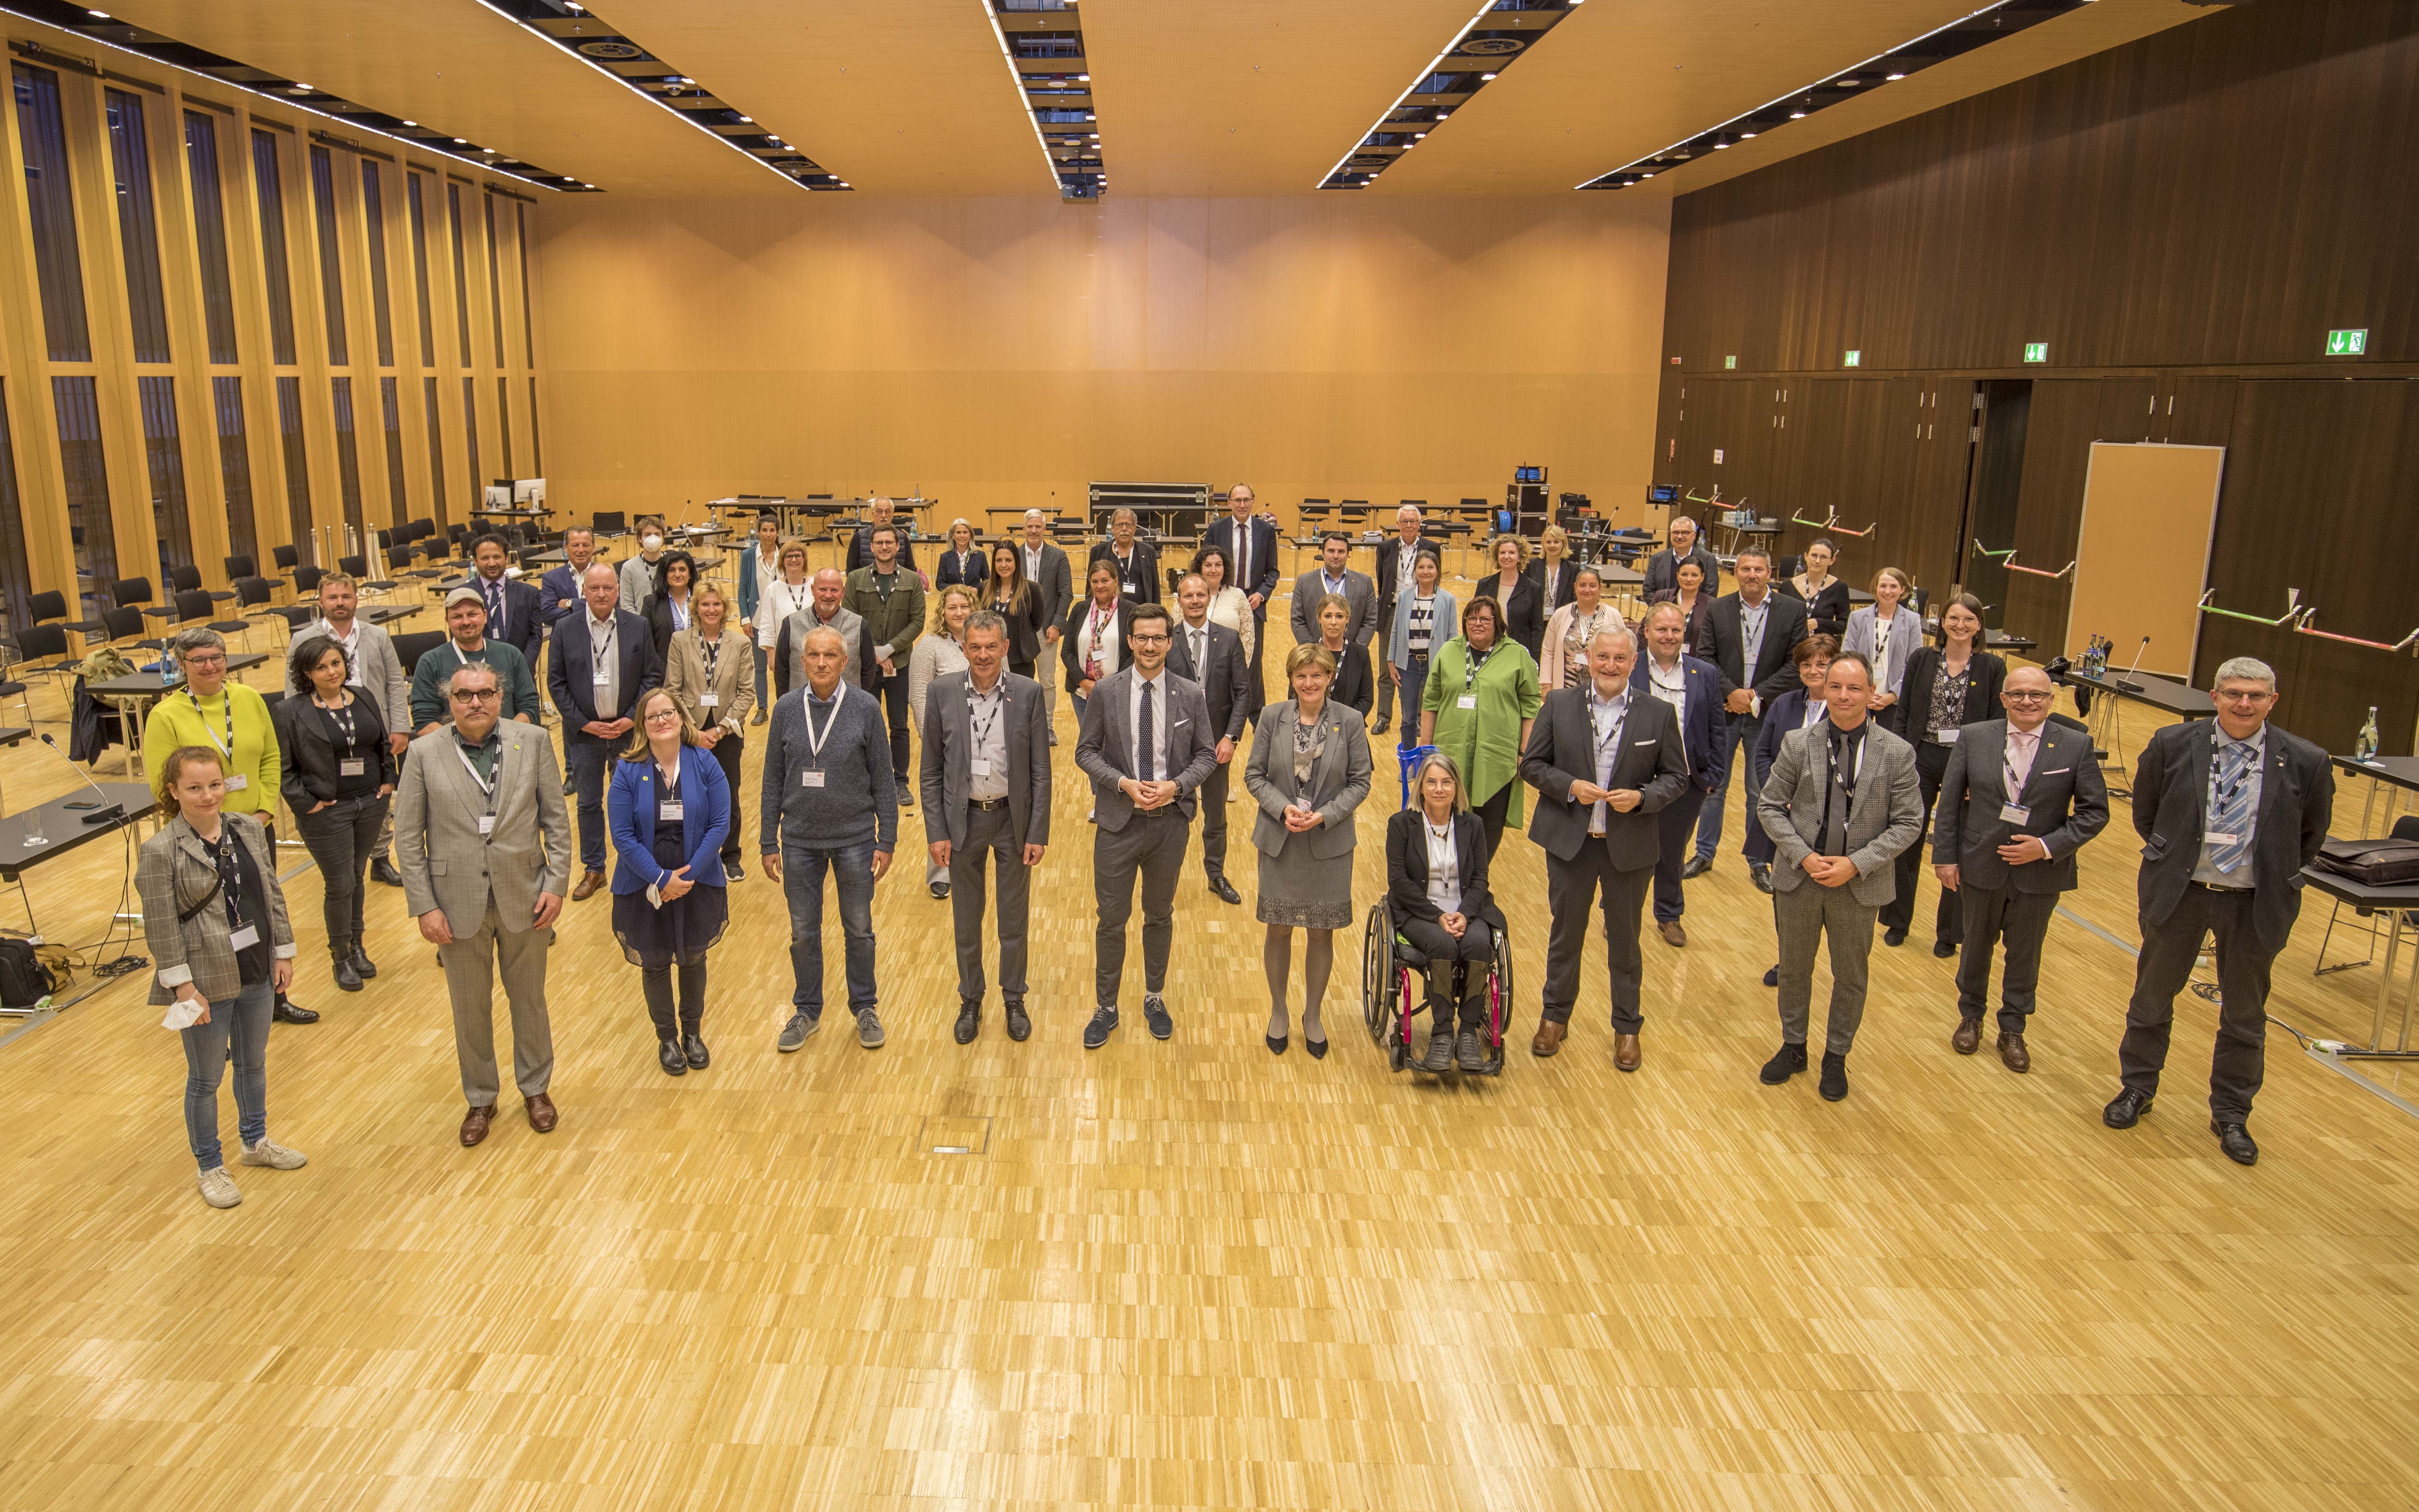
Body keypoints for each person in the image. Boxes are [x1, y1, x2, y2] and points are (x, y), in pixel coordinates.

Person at [2104, 657, 2333, 1166]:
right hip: (2180, 893)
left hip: (2254, 902)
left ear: (2272, 701)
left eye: (2255, 695)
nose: (2243, 703)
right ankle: (2136, 1089)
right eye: (2233, 693)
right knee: (2150, 999)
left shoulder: (2306, 760)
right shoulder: (2171, 744)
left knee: (2244, 1016)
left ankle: (2230, 1114)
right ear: (2214, 697)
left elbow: (2310, 835)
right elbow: (2146, 813)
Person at [394, 661, 573, 1146]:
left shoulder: (532, 741)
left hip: (526, 895)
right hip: (454, 904)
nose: (475, 702)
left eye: (485, 693)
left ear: (500, 696)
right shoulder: (423, 752)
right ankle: (480, 1097)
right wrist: (424, 906)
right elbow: (408, 837)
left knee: (529, 1001)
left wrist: (556, 885)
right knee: (469, 1008)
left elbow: (556, 822)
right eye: (464, 695)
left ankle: (535, 1089)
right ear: (449, 701)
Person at [140, 745, 305, 1208]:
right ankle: (210, 1165)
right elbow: (161, 926)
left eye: (215, 784)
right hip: (203, 979)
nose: (208, 795)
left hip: (256, 966)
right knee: (206, 1079)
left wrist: (283, 951)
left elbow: (270, 893)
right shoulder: (160, 850)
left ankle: (255, 1141)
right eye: (194, 787)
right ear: (173, 791)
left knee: (253, 1063)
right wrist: (183, 987)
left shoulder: (248, 828)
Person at [1755, 652, 1923, 1103]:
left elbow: (1909, 822)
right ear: (1823, 690)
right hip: (1800, 877)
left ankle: (1836, 1056)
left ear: (1871, 693)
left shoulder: (1897, 752)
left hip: (1859, 883)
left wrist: (1857, 862)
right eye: (1835, 687)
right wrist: (1803, 856)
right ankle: (1794, 1046)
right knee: (1794, 968)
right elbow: (1769, 807)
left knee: (1850, 975)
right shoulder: (1797, 743)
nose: (1844, 696)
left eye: (1854, 688)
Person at [1521, 623, 1690, 1068]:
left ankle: (1627, 1027)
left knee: (1625, 941)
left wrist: (1643, 798)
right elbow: (1532, 765)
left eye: (1619, 658)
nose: (1610, 666)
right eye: (1602, 657)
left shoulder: (1658, 713)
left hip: (1629, 847)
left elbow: (1677, 778)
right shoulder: (1559, 704)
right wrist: (1570, 787)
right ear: (1588, 660)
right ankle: (1554, 1017)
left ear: (1634, 663)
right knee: (1565, 935)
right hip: (1570, 843)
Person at [1932, 665, 2109, 1072]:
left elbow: (2095, 812)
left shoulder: (2076, 745)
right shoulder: (1974, 737)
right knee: (1974, 946)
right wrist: (1945, 857)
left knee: (2025, 954)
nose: (2027, 702)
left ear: (2051, 700)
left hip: (2040, 872)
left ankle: (2012, 1028)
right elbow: (1949, 803)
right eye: (2017, 694)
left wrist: (2046, 847)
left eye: (2036, 695)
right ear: (2003, 699)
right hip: (1980, 862)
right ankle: (1970, 1016)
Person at [142, 628, 312, 1025]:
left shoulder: (249, 698)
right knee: (211, 926)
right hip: (200, 839)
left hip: (252, 829)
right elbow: (162, 784)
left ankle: (273, 998)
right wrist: (205, 822)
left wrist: (263, 812)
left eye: (216, 657)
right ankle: (213, 1013)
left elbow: (271, 757)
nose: (210, 666)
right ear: (181, 665)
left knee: (260, 912)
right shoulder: (165, 715)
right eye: (199, 659)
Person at [1074, 602, 1216, 1049]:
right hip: (1117, 824)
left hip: (1169, 825)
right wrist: (1121, 783)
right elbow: (1085, 752)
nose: (1150, 645)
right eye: (1142, 638)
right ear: (1131, 641)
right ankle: (1106, 1006)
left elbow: (1206, 755)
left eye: (1158, 638)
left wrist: (1177, 786)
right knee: (1111, 919)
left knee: (1159, 915)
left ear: (1170, 642)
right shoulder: (1106, 691)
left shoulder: (1189, 694)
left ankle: (1154, 997)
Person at [763, 626, 897, 1054]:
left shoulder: (865, 708)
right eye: (814, 655)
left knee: (859, 929)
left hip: (855, 838)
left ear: (844, 661)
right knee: (803, 932)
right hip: (798, 840)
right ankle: (807, 1010)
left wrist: (887, 839)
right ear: (802, 662)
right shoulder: (786, 709)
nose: (822, 663)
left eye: (830, 656)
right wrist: (768, 841)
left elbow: (883, 777)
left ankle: (865, 1007)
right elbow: (772, 779)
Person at [920, 610, 1051, 1043]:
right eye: (974, 647)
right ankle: (971, 999)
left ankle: (1014, 997)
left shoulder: (1028, 693)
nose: (982, 655)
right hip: (964, 822)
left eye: (991, 646)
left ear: (1005, 648)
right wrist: (936, 832)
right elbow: (930, 772)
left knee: (1013, 919)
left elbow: (1040, 772)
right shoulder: (941, 692)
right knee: (966, 919)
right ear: (963, 648)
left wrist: (1037, 832)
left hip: (1013, 821)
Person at [1243, 644, 1373, 1057]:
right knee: (1278, 929)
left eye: (1317, 675)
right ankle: (1279, 1011)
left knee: (1321, 933)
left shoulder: (1350, 721)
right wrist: (1283, 808)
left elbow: (1361, 781)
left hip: (1328, 843)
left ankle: (1313, 1015)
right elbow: (1254, 775)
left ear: (1329, 677)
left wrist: (1324, 815)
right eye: (1301, 675)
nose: (1309, 682)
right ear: (1291, 678)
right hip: (1281, 841)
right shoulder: (1271, 717)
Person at [608, 687, 731, 1078]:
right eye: (652, 716)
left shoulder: (705, 761)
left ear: (681, 717)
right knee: (656, 961)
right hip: (645, 880)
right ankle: (667, 1038)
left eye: (668, 713)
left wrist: (686, 876)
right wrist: (661, 878)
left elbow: (720, 823)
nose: (661, 721)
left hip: (696, 877)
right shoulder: (628, 770)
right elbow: (622, 835)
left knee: (694, 958)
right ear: (643, 726)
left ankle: (693, 1033)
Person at [274, 634, 397, 992]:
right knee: (340, 882)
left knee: (356, 876)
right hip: (327, 811)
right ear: (307, 674)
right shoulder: (289, 711)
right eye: (321, 667)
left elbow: (382, 743)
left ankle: (358, 946)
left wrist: (389, 781)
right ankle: (340, 955)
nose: (332, 672)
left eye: (336, 663)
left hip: (370, 803)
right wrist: (307, 804)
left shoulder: (364, 695)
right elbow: (284, 769)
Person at [1884, 592, 2005, 952]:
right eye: (1954, 618)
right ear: (1942, 623)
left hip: (1966, 764)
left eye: (1969, 619)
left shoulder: (1992, 668)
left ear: (1979, 626)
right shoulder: (1922, 659)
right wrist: (1901, 757)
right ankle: (1897, 920)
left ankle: (1950, 933)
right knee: (1907, 838)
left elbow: (1998, 724)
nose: (1960, 625)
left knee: (1958, 846)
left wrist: (1983, 774)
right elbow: (1904, 713)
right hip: (1921, 757)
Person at [1692, 545, 1809, 889]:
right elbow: (1705, 657)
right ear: (1736, 572)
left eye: (1759, 569)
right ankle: (1704, 853)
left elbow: (1796, 664)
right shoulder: (1717, 608)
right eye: (1745, 569)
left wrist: (1756, 696)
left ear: (1769, 573)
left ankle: (1759, 860)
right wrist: (1731, 693)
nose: (1752, 575)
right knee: (1714, 787)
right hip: (1724, 711)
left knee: (1761, 791)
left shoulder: (1793, 610)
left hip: (1767, 714)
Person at [1387, 752, 1505, 1076]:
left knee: (1479, 943)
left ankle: (1467, 1030)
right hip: (1420, 911)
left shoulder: (1473, 825)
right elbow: (1398, 881)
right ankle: (1442, 1031)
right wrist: (1438, 915)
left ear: (1456, 788)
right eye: (1431, 782)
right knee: (1442, 944)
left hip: (1467, 910)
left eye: (1446, 782)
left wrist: (1464, 914)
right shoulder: (1401, 825)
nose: (1439, 789)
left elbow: (1480, 878)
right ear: (1421, 788)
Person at [550, 562, 662, 903]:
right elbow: (556, 682)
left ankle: (639, 865)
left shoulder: (638, 626)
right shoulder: (565, 628)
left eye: (608, 588)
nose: (601, 594)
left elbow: (652, 676)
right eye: (595, 588)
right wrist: (584, 723)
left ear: (617, 591)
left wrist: (631, 718)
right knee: (588, 802)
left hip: (629, 732)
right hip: (585, 734)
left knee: (636, 800)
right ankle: (595, 868)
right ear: (584, 591)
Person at [299, 572, 410, 887]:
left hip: (373, 730)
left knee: (378, 793)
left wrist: (400, 726)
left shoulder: (378, 635)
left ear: (357, 599)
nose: (340, 603)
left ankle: (380, 858)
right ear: (320, 601)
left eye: (346, 596)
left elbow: (395, 683)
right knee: (338, 794)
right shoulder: (303, 639)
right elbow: (293, 693)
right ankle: (344, 858)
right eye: (333, 597)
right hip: (327, 733)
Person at [1632, 601, 1729, 949]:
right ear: (1646, 631)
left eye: (1676, 630)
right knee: (1628, 851)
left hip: (1686, 783)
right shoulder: (1630, 667)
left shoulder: (1704, 672)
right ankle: (1619, 912)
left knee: (1672, 853)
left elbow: (1717, 728)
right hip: (1635, 781)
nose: (1669, 636)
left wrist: (1712, 777)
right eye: (1662, 629)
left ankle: (1669, 914)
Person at [1750, 635, 1840, 987]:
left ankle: (1825, 964)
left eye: (1822, 663)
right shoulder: (1784, 704)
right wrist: (1777, 794)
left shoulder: (1846, 707)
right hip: (1783, 817)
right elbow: (1762, 754)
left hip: (1828, 822)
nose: (1814, 670)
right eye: (1807, 664)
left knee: (1825, 901)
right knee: (1784, 896)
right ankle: (1788, 962)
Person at [1420, 596, 1541, 859]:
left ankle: (1477, 878)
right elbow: (1431, 701)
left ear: (1497, 624)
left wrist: (1525, 753)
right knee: (1448, 824)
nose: (1478, 624)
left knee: (1488, 829)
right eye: (1472, 618)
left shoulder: (1517, 655)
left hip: (1497, 758)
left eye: (1485, 619)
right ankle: (1449, 877)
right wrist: (1425, 749)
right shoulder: (1449, 651)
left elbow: (1531, 706)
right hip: (1451, 754)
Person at [1168, 572, 1252, 905]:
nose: (1195, 601)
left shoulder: (1229, 639)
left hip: (1216, 744)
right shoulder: (1167, 639)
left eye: (1201, 595)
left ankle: (1216, 874)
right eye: (1188, 596)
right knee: (1174, 816)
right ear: (1179, 601)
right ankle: (1166, 878)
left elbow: (1243, 693)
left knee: (1216, 816)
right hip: (1175, 746)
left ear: (1209, 598)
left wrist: (1231, 737)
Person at [662, 581, 755, 880]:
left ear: (724, 609)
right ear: (696, 608)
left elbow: (747, 693)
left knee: (728, 795)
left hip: (726, 734)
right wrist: (693, 732)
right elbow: (672, 690)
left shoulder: (740, 644)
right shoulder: (680, 641)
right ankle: (696, 856)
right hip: (689, 733)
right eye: (705, 604)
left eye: (716, 604)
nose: (711, 610)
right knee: (689, 796)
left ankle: (731, 855)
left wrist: (721, 729)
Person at [843, 523, 925, 803]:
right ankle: (866, 781)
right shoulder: (855, 579)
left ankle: (900, 782)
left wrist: (889, 649)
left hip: (900, 665)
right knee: (864, 724)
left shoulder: (913, 580)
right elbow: (850, 619)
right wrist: (875, 653)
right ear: (872, 547)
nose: (884, 547)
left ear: (898, 547)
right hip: (866, 666)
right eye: (879, 543)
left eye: (890, 542)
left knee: (900, 726)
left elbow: (918, 621)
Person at [910, 585, 977, 898]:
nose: (959, 612)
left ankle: (972, 865)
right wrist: (932, 741)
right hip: (947, 744)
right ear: (943, 611)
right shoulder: (929, 646)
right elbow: (919, 694)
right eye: (953, 607)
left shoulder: (984, 638)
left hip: (985, 740)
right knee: (945, 805)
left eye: (965, 606)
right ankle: (941, 872)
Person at [409, 586, 543, 733]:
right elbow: (424, 721)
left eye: (472, 614)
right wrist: (458, 744)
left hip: (509, 743)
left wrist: (505, 738)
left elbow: (529, 706)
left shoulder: (511, 655)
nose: (466, 622)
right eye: (457, 617)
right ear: (447, 620)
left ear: (485, 616)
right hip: (452, 747)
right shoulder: (430, 663)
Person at [1202, 484, 1279, 718]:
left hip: (1253, 604)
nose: (1242, 505)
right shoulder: (1216, 529)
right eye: (1237, 500)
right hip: (1222, 602)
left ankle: (1256, 718)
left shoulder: (1266, 531)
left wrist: (1261, 594)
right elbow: (1205, 565)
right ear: (1229, 503)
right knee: (1218, 658)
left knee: (1253, 664)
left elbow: (1272, 572)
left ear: (1254, 501)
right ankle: (1220, 709)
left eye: (1247, 500)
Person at [1373, 506, 1440, 736]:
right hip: (1392, 611)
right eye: (1405, 522)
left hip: (1422, 610)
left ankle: (1419, 718)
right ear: (1398, 524)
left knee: (1420, 668)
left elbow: (1435, 578)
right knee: (1387, 667)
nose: (1409, 525)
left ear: (1420, 524)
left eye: (1413, 521)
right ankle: (1383, 717)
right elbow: (1382, 581)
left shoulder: (1432, 547)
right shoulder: (1385, 547)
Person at [1386, 550, 1455, 755]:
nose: (1426, 571)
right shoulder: (1405, 597)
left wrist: (1451, 667)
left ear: (1437, 571)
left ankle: (1433, 761)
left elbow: (1453, 636)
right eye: (1421, 567)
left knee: (1435, 714)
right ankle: (1409, 760)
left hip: (1436, 665)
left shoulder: (1448, 599)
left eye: (1430, 567)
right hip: (1408, 664)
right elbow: (1396, 630)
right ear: (1415, 571)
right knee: (1408, 718)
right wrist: (1391, 661)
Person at [1015, 509, 1074, 743]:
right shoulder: (1014, 556)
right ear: (1024, 529)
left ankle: (1047, 727)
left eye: (1038, 527)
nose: (1034, 531)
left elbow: (1066, 593)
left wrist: (1057, 624)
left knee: (1047, 681)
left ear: (1045, 529)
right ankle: (1020, 725)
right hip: (1019, 631)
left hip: (1046, 630)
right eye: (1030, 527)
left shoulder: (1058, 556)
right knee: (1019, 680)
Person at [1840, 567, 1918, 732]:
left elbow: (1914, 664)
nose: (1888, 591)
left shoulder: (1912, 620)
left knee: (1889, 743)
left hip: (1894, 699)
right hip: (1860, 695)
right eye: (1883, 586)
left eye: (1894, 587)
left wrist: (1893, 695)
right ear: (1875, 588)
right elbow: (1847, 657)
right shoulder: (1858, 617)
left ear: (1903, 589)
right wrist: (1863, 693)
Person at [1190, 542, 1259, 728]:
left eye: (1218, 565)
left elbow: (1248, 636)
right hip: (1193, 674)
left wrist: (1238, 670)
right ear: (1200, 568)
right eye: (1208, 565)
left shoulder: (1238, 596)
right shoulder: (1190, 594)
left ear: (1225, 568)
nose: (1213, 570)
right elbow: (1177, 630)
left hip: (1227, 675)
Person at [773, 567, 866, 695]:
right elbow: (781, 672)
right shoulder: (791, 624)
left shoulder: (859, 625)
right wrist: (789, 703)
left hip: (848, 706)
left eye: (834, 590)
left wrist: (856, 701)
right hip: (801, 705)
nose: (828, 595)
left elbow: (868, 672)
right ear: (813, 590)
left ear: (843, 592)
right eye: (823, 590)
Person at [755, 538, 820, 712]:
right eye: (789, 556)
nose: (794, 560)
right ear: (782, 561)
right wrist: (771, 655)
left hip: (815, 655)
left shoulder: (815, 585)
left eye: (798, 556)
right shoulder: (774, 589)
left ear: (804, 559)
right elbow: (767, 624)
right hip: (785, 656)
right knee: (788, 703)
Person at [1061, 561, 1129, 721]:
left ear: (1116, 581)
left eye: (1105, 581)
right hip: (1082, 694)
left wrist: (1113, 685)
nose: (1100, 586)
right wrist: (1084, 682)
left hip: (1117, 693)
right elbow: (1067, 652)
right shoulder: (1079, 609)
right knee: (1087, 737)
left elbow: (1135, 654)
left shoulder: (1130, 611)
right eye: (1095, 582)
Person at [735, 513, 786, 720]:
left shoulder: (785, 554)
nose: (768, 534)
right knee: (760, 667)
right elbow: (743, 589)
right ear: (758, 532)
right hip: (757, 619)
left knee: (783, 666)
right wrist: (745, 618)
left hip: (782, 619)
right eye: (764, 530)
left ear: (778, 533)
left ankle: (785, 707)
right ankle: (762, 709)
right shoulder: (748, 556)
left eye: (772, 530)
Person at [467, 532, 544, 669]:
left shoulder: (529, 593)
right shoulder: (464, 595)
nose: (492, 563)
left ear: (507, 559)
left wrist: (522, 668)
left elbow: (536, 636)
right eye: (485, 558)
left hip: (521, 671)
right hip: (478, 674)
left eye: (497, 557)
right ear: (475, 561)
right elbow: (460, 638)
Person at [1539, 565, 1621, 691]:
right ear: (1575, 587)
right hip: (1565, 688)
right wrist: (1546, 684)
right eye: (1583, 585)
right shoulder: (1561, 615)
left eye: (1592, 586)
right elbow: (1548, 651)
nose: (1587, 590)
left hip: (1602, 689)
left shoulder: (1614, 616)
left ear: (1600, 588)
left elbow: (1623, 652)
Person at [1471, 532, 1545, 661]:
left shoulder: (1533, 588)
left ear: (1520, 557)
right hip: (1487, 651)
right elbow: (1474, 619)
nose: (1506, 556)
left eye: (1512, 553)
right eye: (1502, 553)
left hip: (1519, 653)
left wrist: (1534, 660)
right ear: (1497, 556)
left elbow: (1537, 629)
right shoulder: (1484, 584)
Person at [981, 542, 1048, 678]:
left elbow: (1036, 623)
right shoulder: (984, 588)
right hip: (990, 659)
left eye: (1008, 560)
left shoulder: (1032, 590)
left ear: (1017, 562)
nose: (1003, 565)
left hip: (1021, 660)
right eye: (999, 561)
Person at [1313, 593, 1375, 718]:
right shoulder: (1307, 654)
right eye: (1328, 616)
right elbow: (1295, 696)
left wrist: (1346, 723)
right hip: (1313, 724)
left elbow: (1366, 699)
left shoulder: (1361, 654)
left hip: (1350, 725)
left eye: (1340, 616)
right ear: (1319, 619)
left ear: (1348, 619)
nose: (1333, 622)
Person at [1641, 558, 1714, 661]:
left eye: (1695, 575)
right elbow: (1645, 628)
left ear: (1702, 577)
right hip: (1659, 659)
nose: (1689, 579)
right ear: (1678, 576)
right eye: (1684, 575)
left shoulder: (1711, 604)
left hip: (1695, 662)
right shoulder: (1662, 597)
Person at [1777, 537, 1850, 638]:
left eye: (1824, 557)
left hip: (1822, 644)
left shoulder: (1840, 588)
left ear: (1832, 561)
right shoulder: (1788, 586)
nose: (1817, 561)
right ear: (1806, 556)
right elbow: (1779, 620)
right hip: (1792, 643)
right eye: (1814, 556)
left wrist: (1819, 623)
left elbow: (1844, 625)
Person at [1089, 507, 1161, 606]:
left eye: (1128, 525)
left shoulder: (1148, 551)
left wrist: (1157, 612)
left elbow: (1155, 588)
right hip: (1107, 610)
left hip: (1142, 611)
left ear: (1135, 529)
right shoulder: (1098, 552)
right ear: (1112, 528)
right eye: (1119, 525)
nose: (1124, 529)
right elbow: (1090, 589)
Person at [1643, 515, 1722, 597]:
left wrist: (1691, 606)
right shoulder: (1657, 559)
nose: (1680, 537)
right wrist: (1663, 606)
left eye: (1685, 533)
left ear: (1694, 535)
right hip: (1662, 605)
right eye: (1676, 533)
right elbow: (1648, 591)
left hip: (1697, 606)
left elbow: (1711, 593)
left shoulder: (1708, 560)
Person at [538, 525, 601, 630]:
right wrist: (592, 609)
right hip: (564, 637)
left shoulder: (605, 574)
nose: (581, 550)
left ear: (593, 547)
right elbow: (548, 616)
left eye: (586, 545)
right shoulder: (551, 578)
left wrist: (571, 603)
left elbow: (610, 608)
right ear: (566, 548)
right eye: (575, 545)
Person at [641, 548, 699, 658]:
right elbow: (647, 644)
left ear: (690, 574)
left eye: (682, 570)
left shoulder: (701, 600)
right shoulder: (651, 603)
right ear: (665, 574)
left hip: (699, 664)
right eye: (672, 570)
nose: (677, 575)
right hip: (666, 665)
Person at [845, 495, 921, 576]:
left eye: (888, 512)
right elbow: (851, 574)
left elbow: (910, 572)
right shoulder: (859, 538)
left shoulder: (903, 538)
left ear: (893, 514)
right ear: (873, 513)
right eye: (880, 511)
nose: (884, 516)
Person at [618, 516, 669, 615]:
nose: (653, 538)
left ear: (663, 538)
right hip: (641, 621)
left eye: (657, 534)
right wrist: (640, 622)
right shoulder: (629, 567)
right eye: (648, 535)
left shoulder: (672, 564)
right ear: (640, 539)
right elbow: (627, 604)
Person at [1531, 524, 1579, 617]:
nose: (1552, 546)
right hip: (1537, 621)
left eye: (1556, 542)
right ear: (1543, 544)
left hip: (1562, 620)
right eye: (1548, 542)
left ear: (1563, 544)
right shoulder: (1531, 565)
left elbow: (1575, 599)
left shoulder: (1573, 568)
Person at [934, 517, 984, 590]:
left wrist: (977, 590)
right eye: (958, 533)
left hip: (974, 597)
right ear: (953, 536)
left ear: (970, 535)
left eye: (965, 532)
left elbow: (987, 582)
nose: (962, 536)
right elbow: (940, 584)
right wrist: (958, 590)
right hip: (953, 596)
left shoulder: (980, 556)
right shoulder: (945, 557)